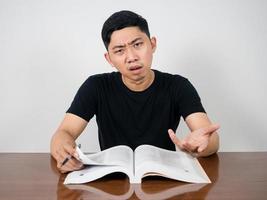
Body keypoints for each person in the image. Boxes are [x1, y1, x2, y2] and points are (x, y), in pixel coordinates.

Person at [50, 10, 220, 173]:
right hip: (114, 181)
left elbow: (209, 137)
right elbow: (64, 133)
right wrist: (63, 151)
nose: (131, 57)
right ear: (109, 58)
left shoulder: (178, 86)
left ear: (152, 44)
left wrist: (201, 145)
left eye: (138, 44)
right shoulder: (96, 86)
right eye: (119, 50)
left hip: (162, 178)